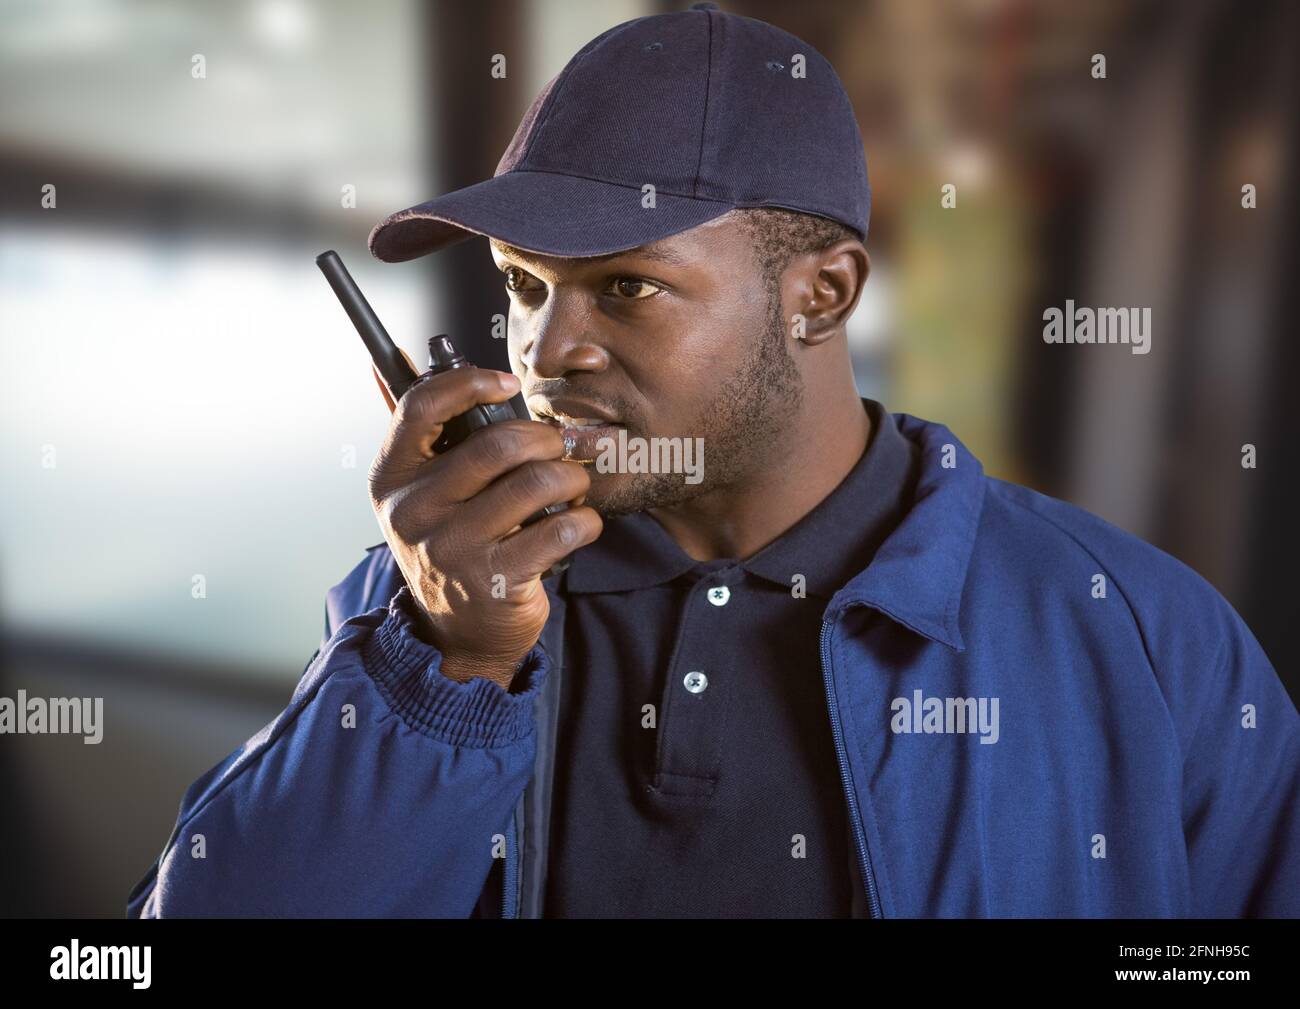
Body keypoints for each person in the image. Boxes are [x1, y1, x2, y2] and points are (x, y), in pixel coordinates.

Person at [127, 3, 1299, 918]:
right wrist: (443, 674)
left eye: (625, 286)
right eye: (523, 286)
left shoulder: (1137, 635)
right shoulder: (435, 603)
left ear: (822, 294)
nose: (548, 350)